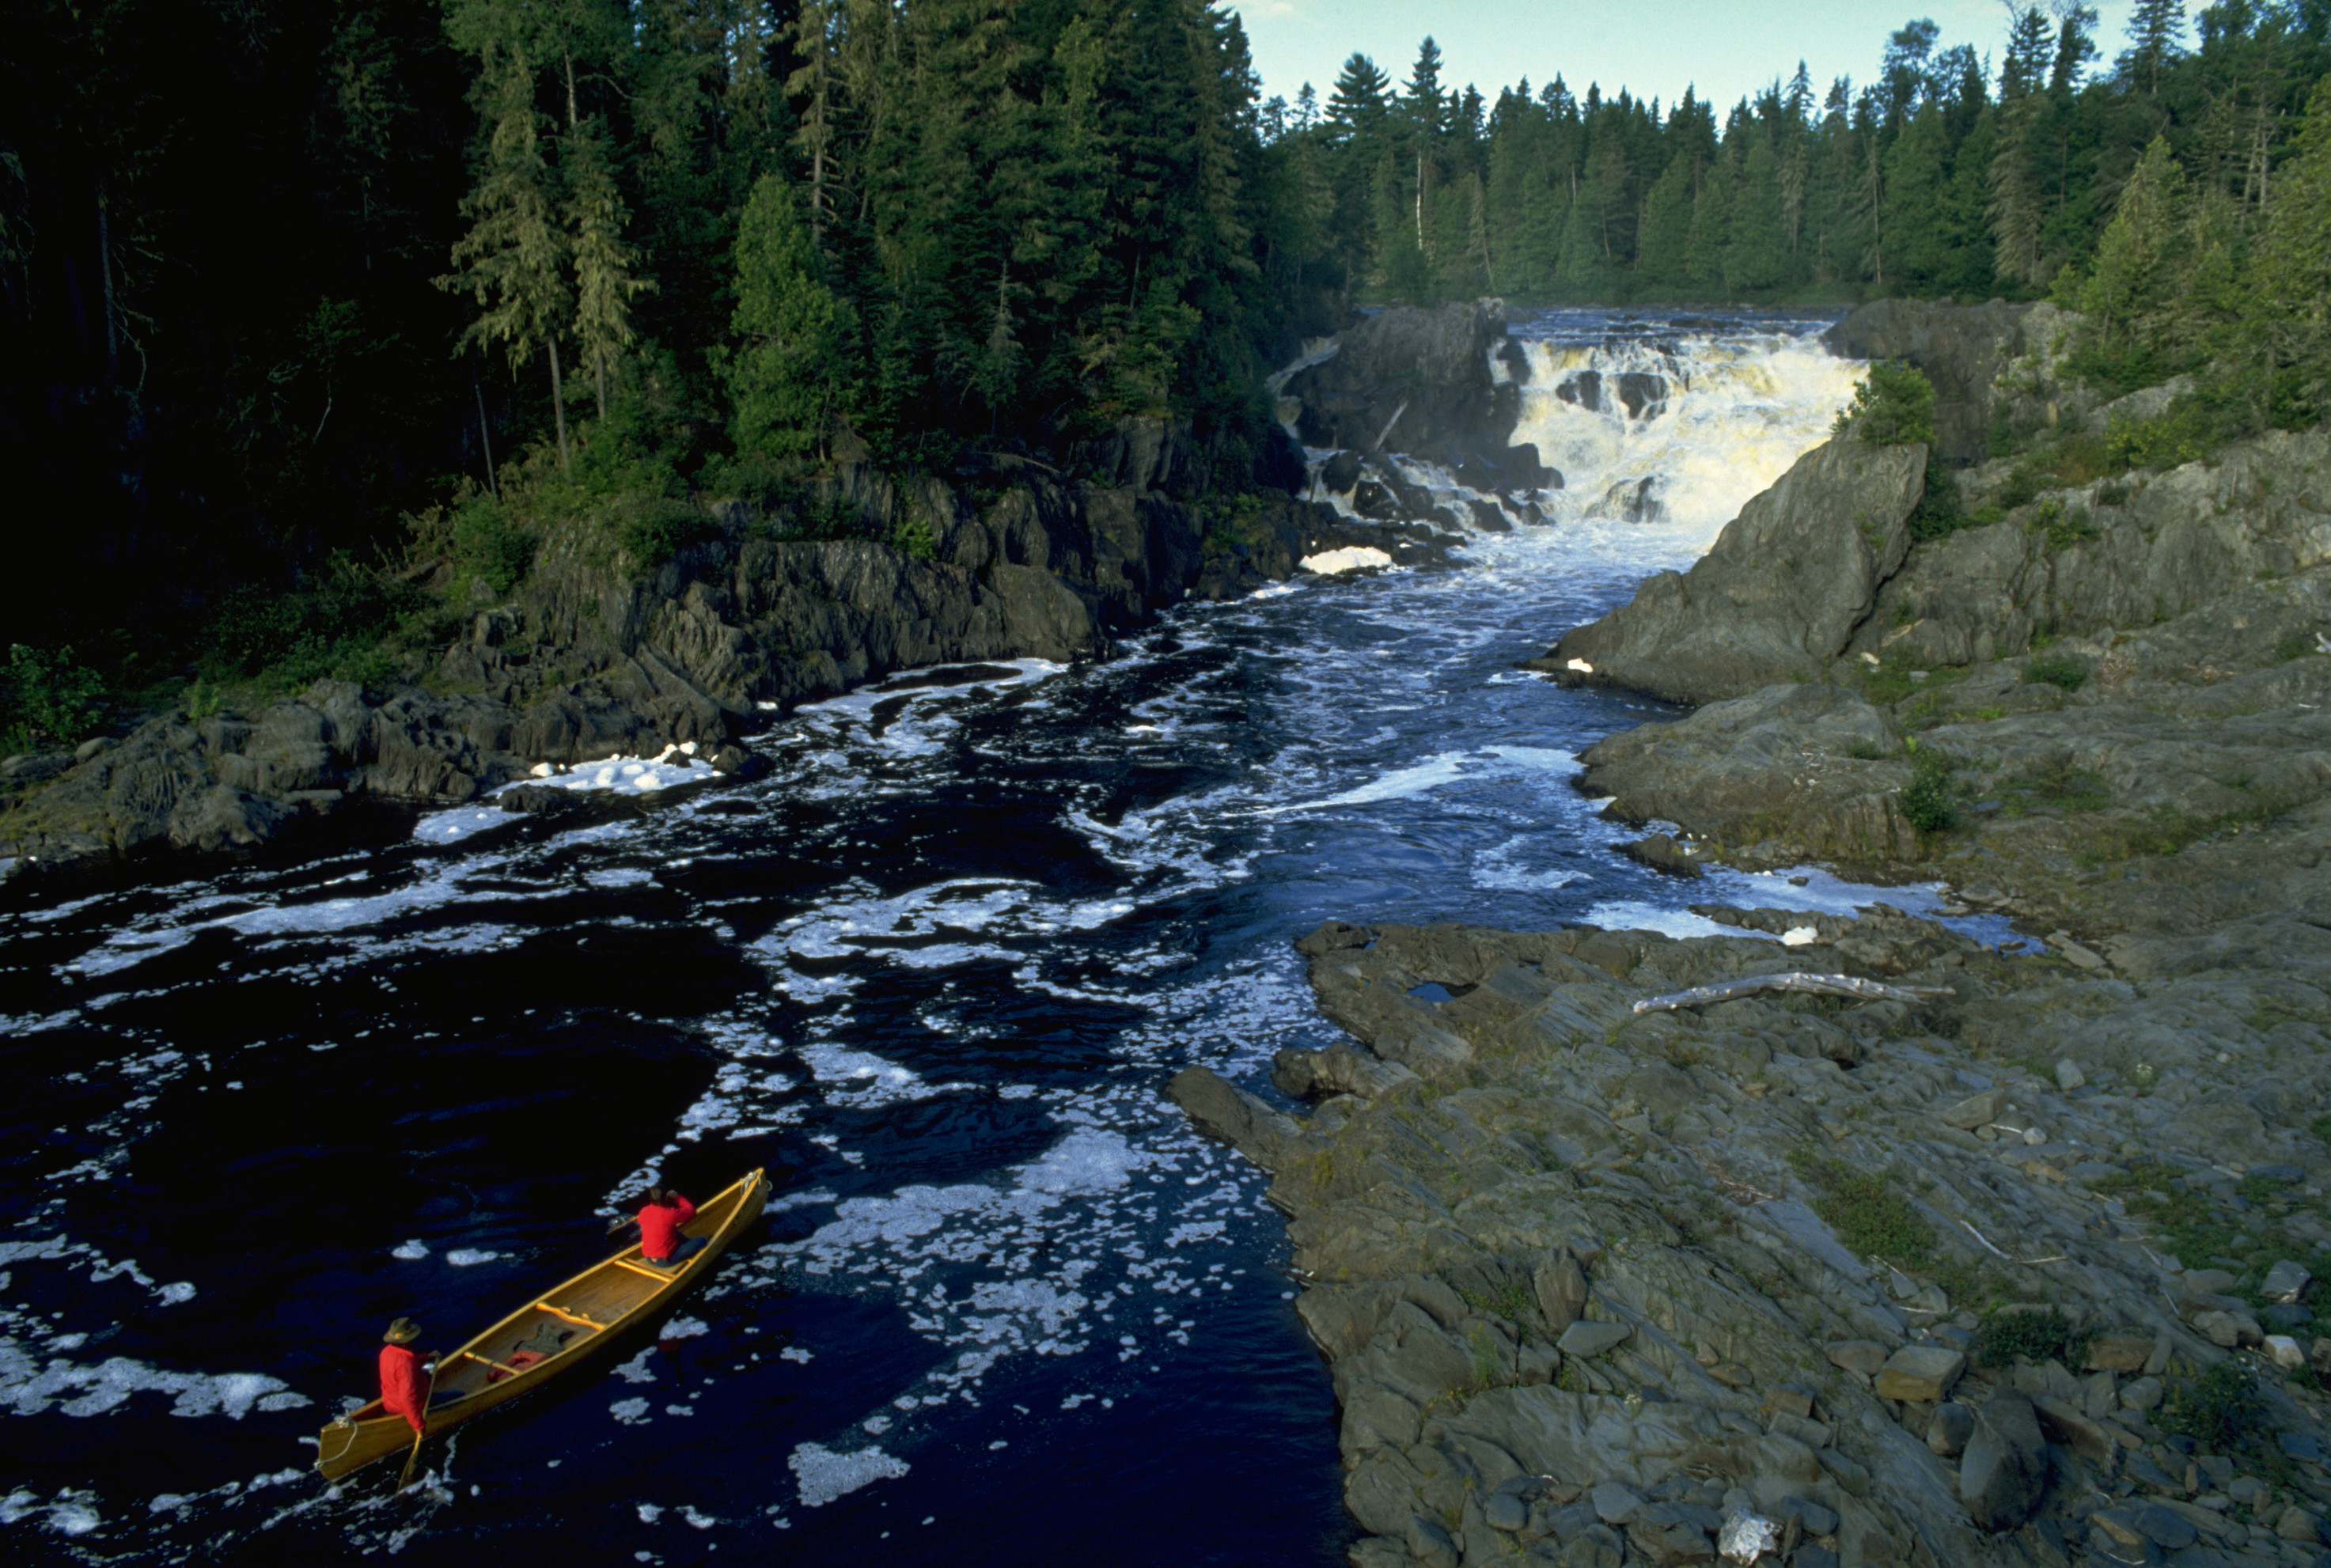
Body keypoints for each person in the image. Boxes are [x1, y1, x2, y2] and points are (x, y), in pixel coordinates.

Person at [378, 1318, 433, 1433]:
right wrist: (419, 1426)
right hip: (406, 1406)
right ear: (406, 1342)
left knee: (426, 1374)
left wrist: (426, 1357)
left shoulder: (386, 1352)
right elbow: (407, 1399)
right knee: (459, 1395)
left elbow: (405, 1363)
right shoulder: (406, 1365)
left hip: (389, 1403)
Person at [637, 1183, 705, 1268]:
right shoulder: (670, 1214)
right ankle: (689, 1248)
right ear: (665, 1198)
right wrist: (677, 1197)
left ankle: (687, 1245)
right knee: (701, 1240)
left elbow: (650, 1219)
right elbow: (691, 1211)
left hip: (649, 1257)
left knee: (676, 1233)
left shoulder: (644, 1211)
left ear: (651, 1198)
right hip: (665, 1260)